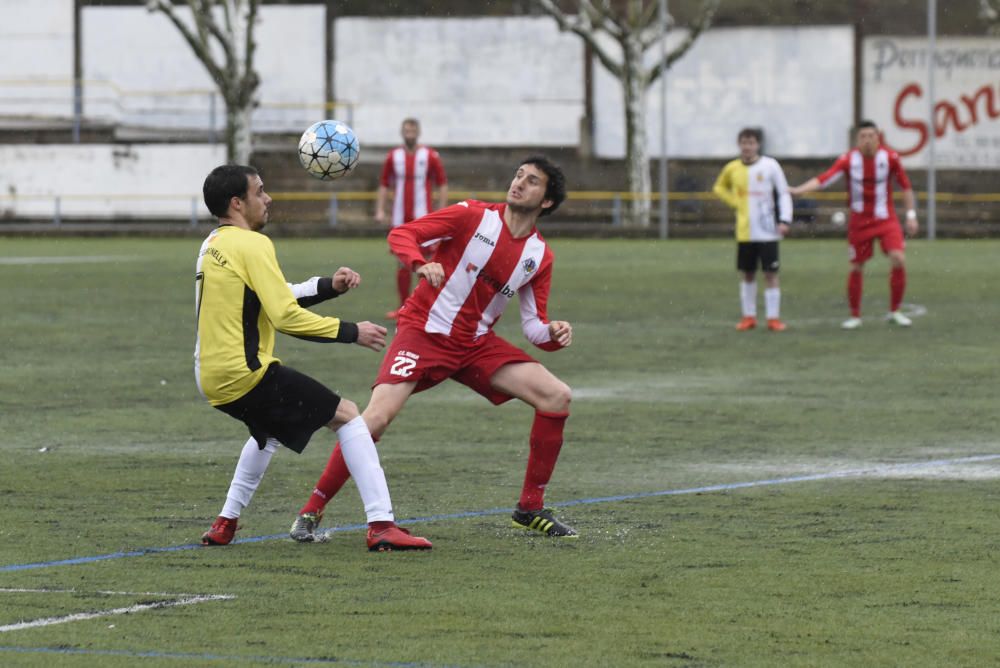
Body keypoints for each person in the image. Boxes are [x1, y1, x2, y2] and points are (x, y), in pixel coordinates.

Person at [288, 155, 577, 543]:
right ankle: (311, 510)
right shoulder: (471, 215)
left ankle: (529, 508)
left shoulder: (539, 256)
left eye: (532, 181)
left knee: (557, 397)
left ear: (546, 202)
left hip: (475, 344)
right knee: (374, 420)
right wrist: (419, 263)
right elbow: (401, 234)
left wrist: (554, 333)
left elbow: (534, 327)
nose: (519, 183)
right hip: (423, 331)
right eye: (518, 175)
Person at [195, 164, 431, 552]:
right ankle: (382, 524)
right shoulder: (253, 244)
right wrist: (351, 331)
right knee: (350, 416)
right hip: (246, 373)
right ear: (237, 203)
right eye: (260, 192)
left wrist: (328, 286)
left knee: (267, 433)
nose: (267, 199)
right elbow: (285, 315)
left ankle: (225, 523)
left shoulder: (214, 243)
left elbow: (275, 294)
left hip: (212, 378)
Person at [789, 120, 919, 329]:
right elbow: (825, 179)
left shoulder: (890, 158)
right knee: (857, 266)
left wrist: (911, 215)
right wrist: (799, 190)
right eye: (863, 137)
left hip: (886, 219)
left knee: (898, 258)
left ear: (878, 137)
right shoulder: (849, 160)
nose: (867, 141)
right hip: (860, 221)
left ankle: (895, 311)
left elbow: (906, 187)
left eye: (871, 136)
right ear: (857, 140)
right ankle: (855, 315)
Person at [713, 127, 793, 332]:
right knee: (747, 273)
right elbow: (719, 187)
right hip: (745, 231)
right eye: (744, 143)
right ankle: (748, 317)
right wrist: (735, 202)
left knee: (770, 273)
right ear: (739, 145)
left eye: (751, 143)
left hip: (768, 230)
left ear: (758, 145)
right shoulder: (732, 168)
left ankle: (773, 318)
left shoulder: (770, 166)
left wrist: (785, 219)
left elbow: (783, 192)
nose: (747, 147)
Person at [375, 118, 448, 319]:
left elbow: (442, 183)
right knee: (402, 262)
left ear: (418, 132)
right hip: (400, 219)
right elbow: (383, 184)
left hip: (424, 219)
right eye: (406, 129)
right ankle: (403, 307)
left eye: (412, 129)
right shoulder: (393, 156)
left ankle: (424, 307)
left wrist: (441, 211)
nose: (409, 132)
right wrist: (380, 209)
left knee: (426, 262)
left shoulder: (430, 155)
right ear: (402, 132)